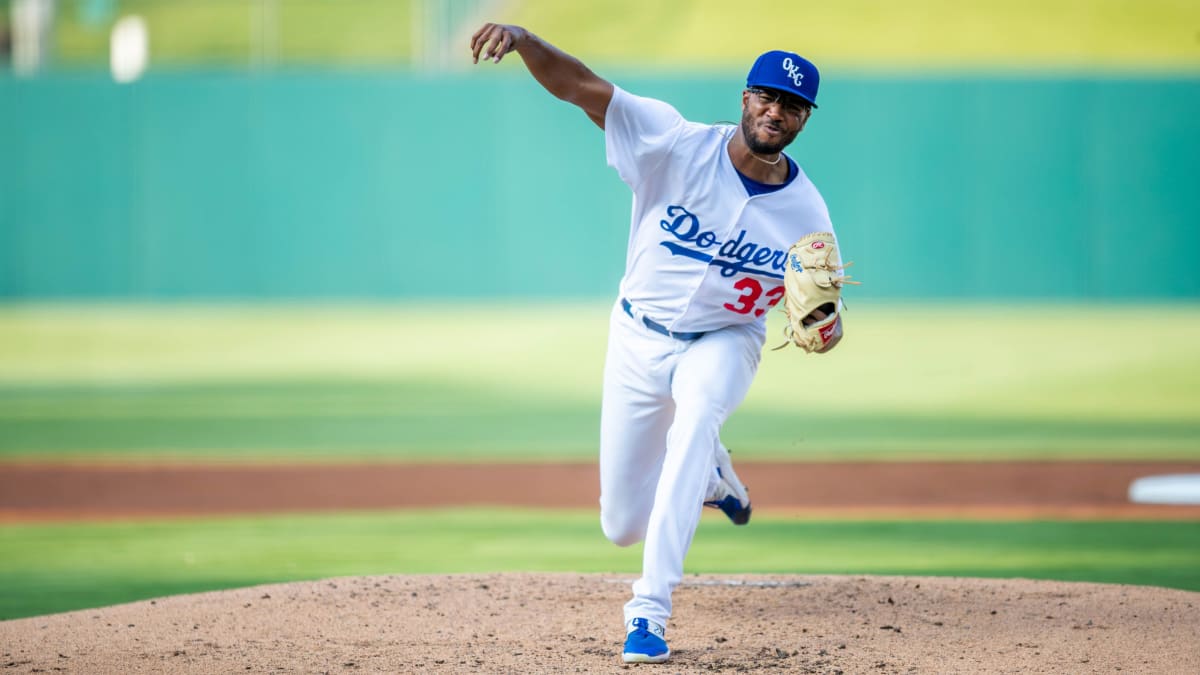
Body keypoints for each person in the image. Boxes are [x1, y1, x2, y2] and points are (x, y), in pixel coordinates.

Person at [470, 23, 844, 665]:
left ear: (805, 119)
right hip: (637, 337)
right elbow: (583, 87)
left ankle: (648, 612)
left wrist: (827, 327)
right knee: (620, 525)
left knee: (696, 417)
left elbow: (822, 317)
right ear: (745, 97)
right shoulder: (674, 142)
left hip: (724, 339)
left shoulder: (808, 214)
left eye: (791, 105)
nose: (775, 112)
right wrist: (525, 40)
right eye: (766, 96)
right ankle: (716, 475)